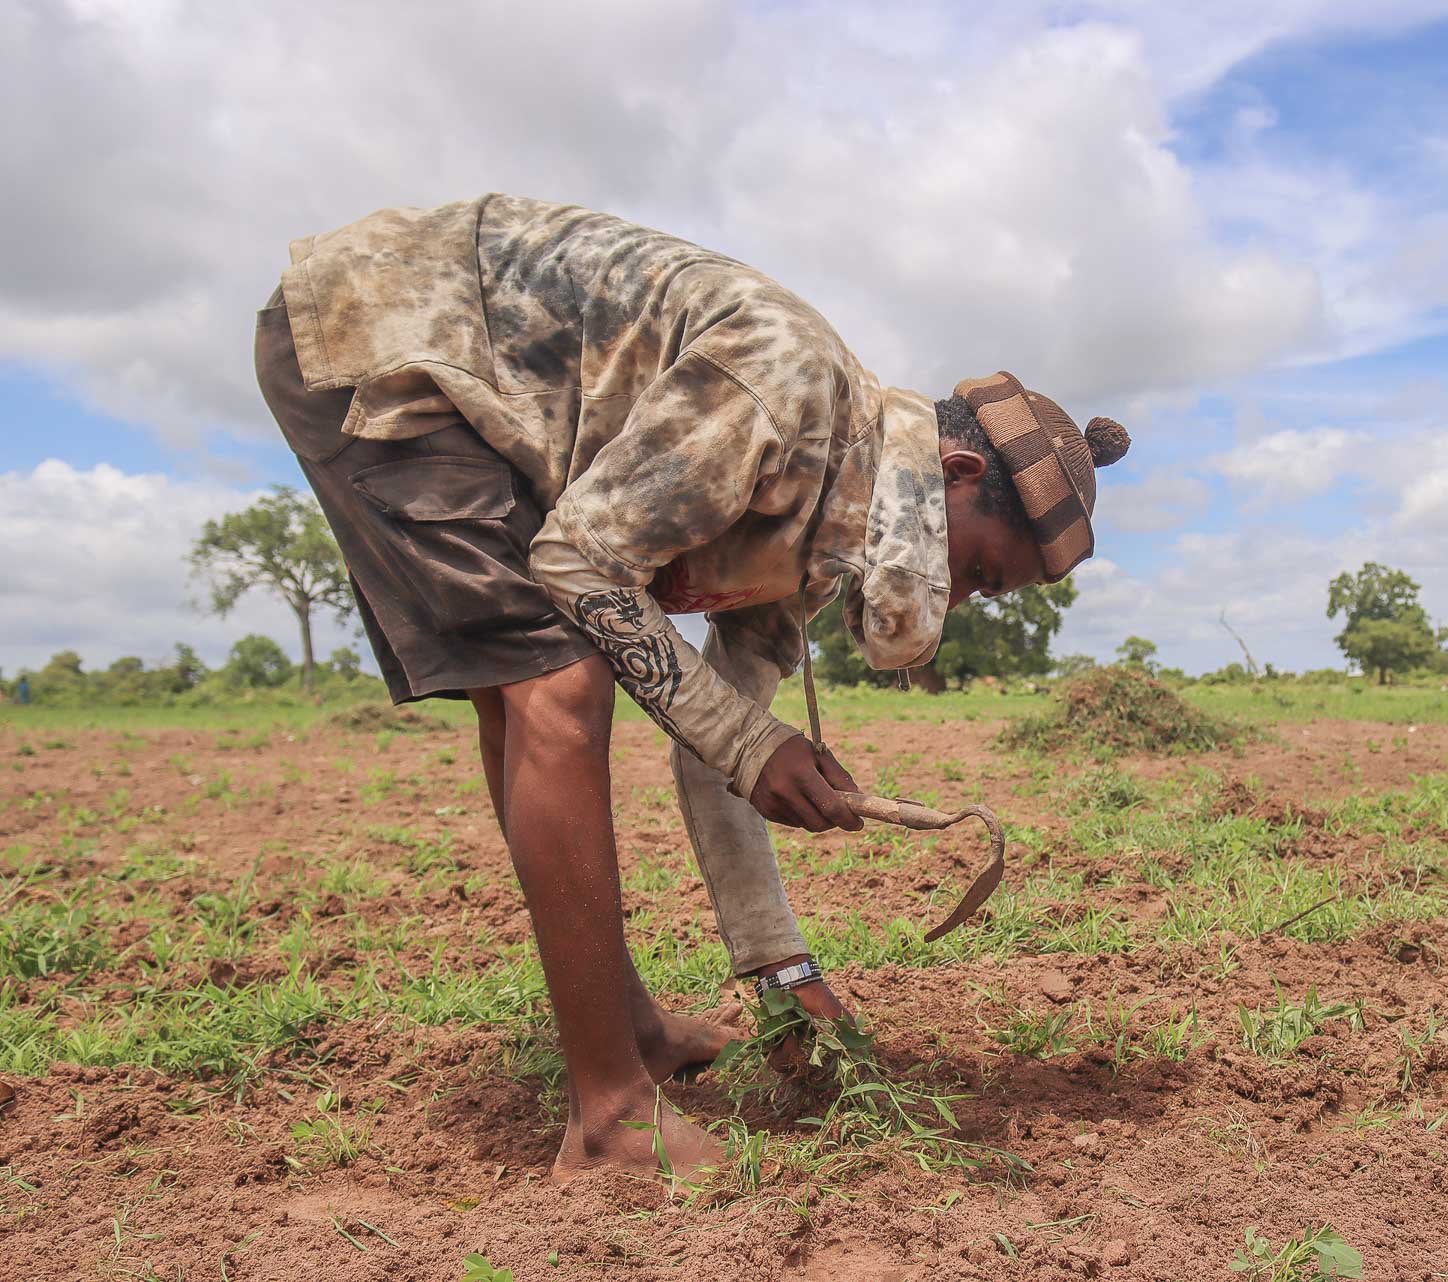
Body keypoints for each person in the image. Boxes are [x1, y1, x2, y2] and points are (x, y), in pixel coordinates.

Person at [253, 195, 1129, 1181]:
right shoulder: (787, 389)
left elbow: (716, 745)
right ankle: (611, 1123)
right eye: (982, 572)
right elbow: (584, 566)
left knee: (534, 689)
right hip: (392, 327)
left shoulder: (813, 548)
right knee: (559, 682)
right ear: (955, 475)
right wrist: (754, 746)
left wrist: (783, 969)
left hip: (461, 380)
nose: (959, 598)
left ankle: (632, 1030)